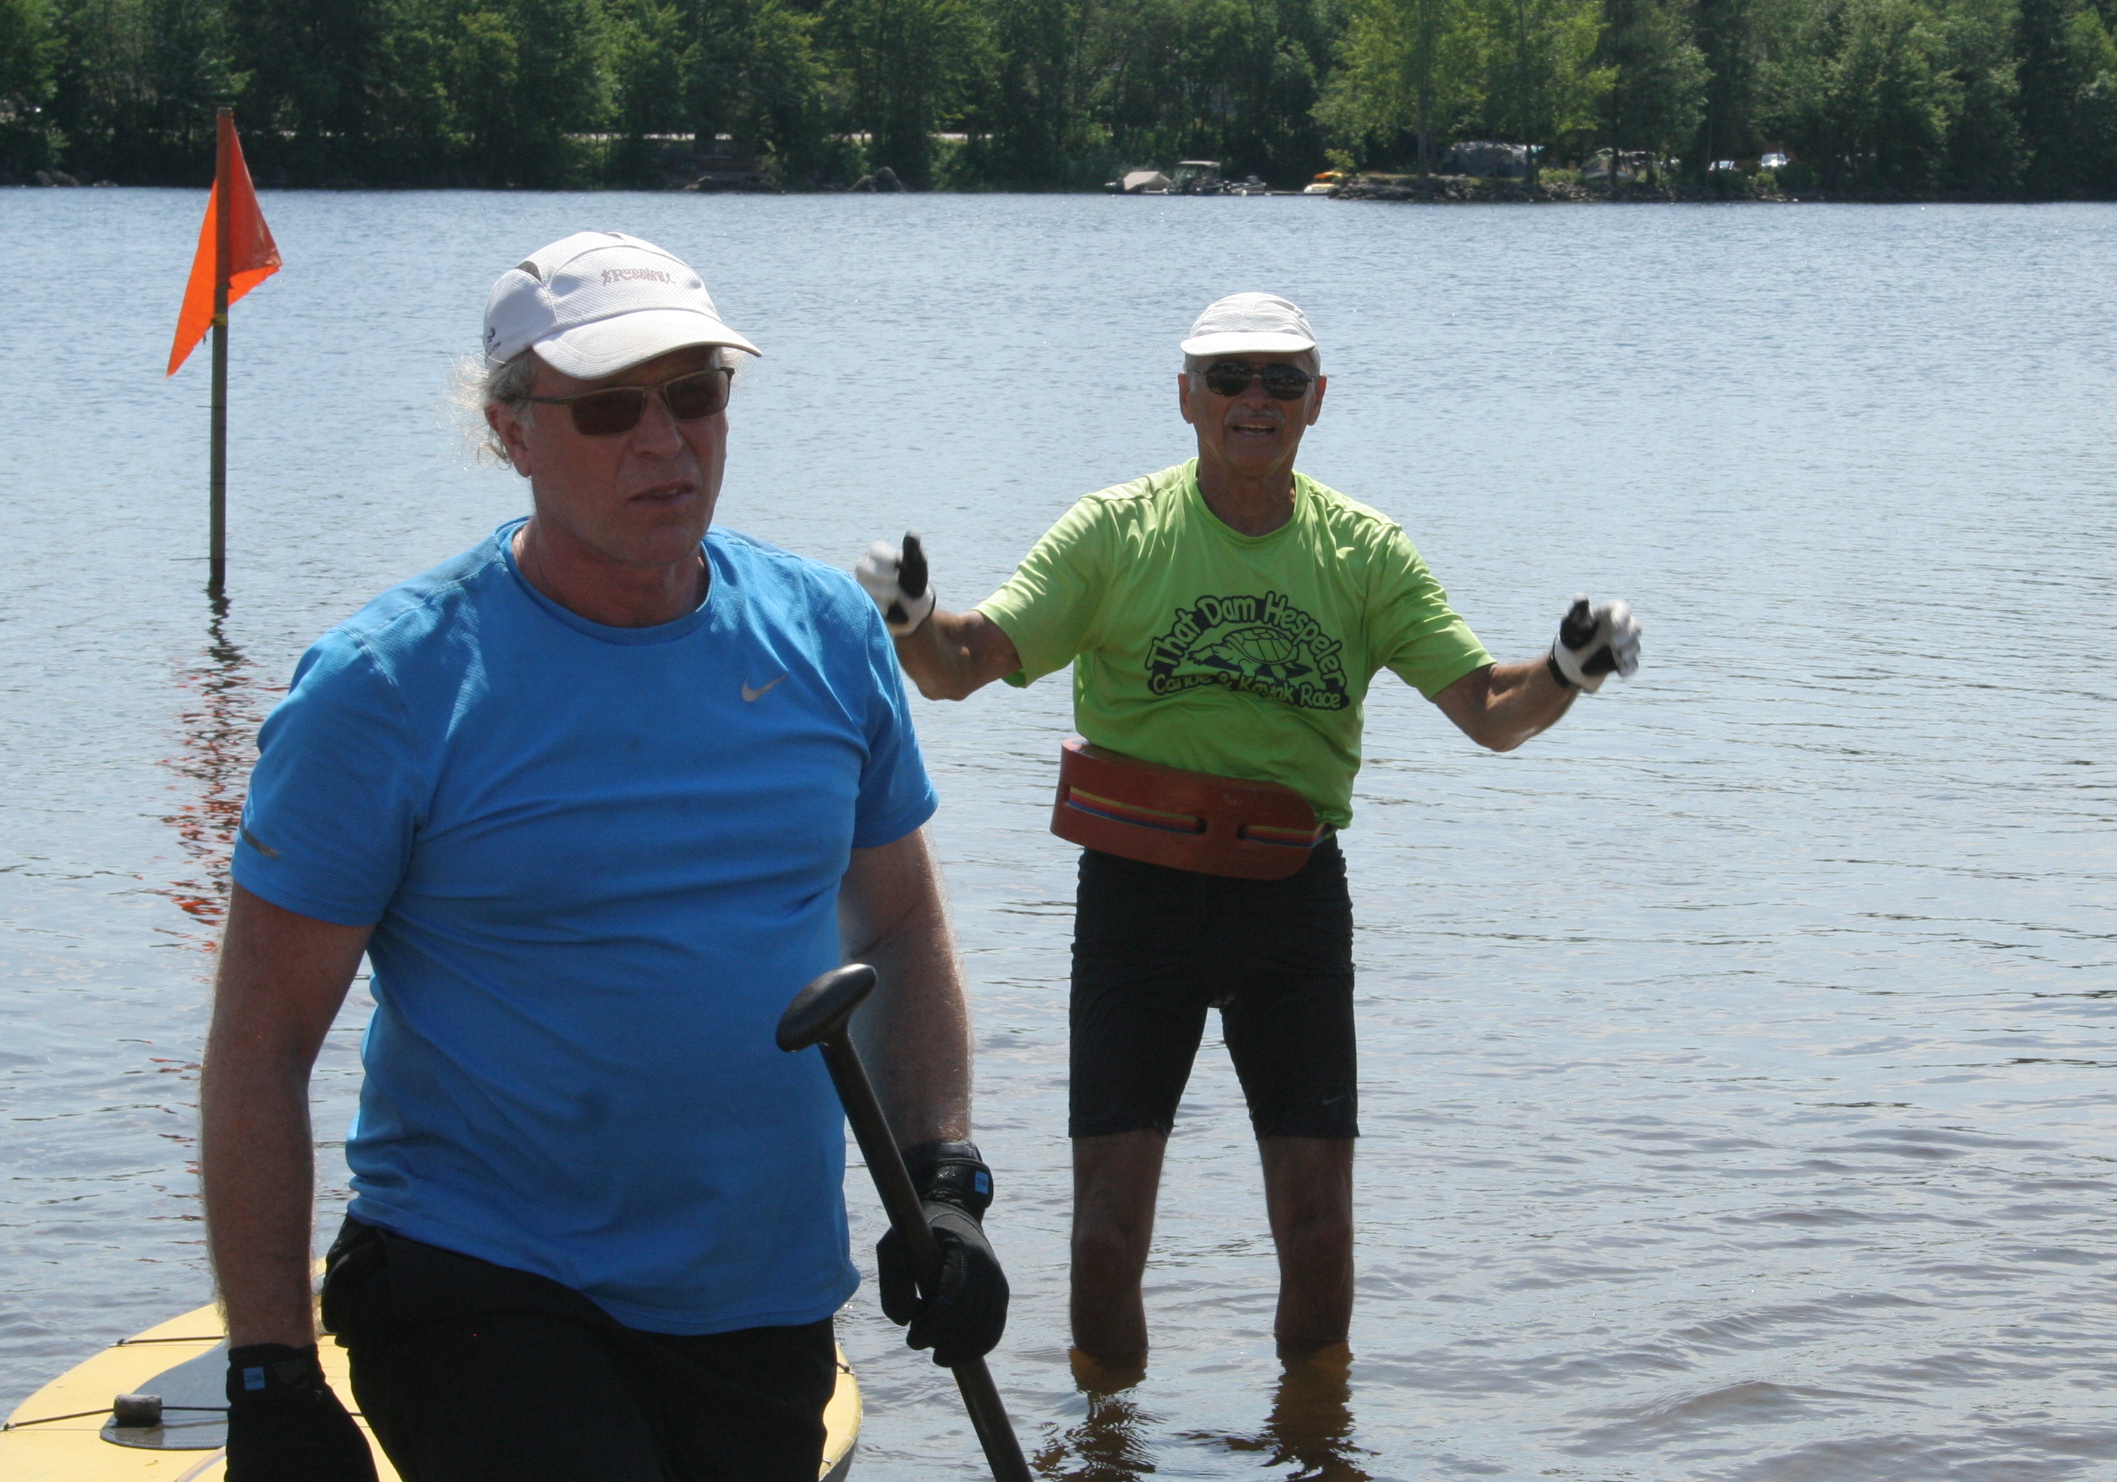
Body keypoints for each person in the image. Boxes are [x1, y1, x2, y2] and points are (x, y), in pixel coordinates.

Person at [198, 232, 1007, 1482]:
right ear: (510, 430)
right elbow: (260, 1044)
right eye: (611, 407)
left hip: (756, 1293)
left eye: (695, 392)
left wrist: (943, 1174)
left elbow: (898, 925)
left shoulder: (830, 635)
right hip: (479, 1282)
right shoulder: (385, 688)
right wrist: (271, 1373)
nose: (665, 439)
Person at [855, 291, 1639, 1372]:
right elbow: (959, 665)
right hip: (1136, 901)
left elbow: (1491, 712)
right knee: (1104, 1236)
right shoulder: (1115, 533)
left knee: (1319, 1233)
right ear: (1187, 396)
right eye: (1229, 377)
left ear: (1318, 399)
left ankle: (1312, 1437)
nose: (1255, 398)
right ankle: (1109, 1436)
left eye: (1282, 378)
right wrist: (909, 613)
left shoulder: (1366, 553)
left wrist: (1567, 667)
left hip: (1293, 899)